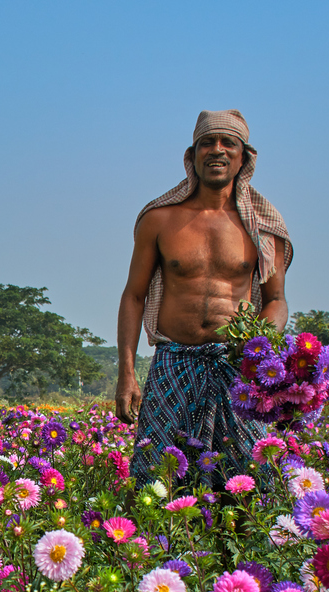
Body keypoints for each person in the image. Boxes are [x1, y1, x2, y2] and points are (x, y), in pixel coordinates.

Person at [115, 109, 293, 487]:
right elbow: (133, 296)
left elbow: (276, 300)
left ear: (244, 157)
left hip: (234, 367)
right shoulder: (160, 219)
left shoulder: (263, 228)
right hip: (172, 363)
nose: (217, 150)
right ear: (191, 155)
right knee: (156, 476)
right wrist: (127, 374)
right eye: (206, 143)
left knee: (251, 482)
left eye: (228, 142)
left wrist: (257, 348)